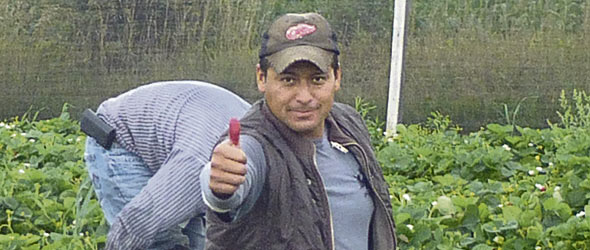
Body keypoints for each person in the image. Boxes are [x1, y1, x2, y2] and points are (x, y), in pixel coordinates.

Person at [200, 13, 397, 250]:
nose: (304, 97)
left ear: (337, 77)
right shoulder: (256, 143)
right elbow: (229, 192)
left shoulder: (348, 123)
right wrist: (221, 188)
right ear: (262, 78)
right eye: (288, 80)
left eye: (317, 79)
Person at [83, 80, 251, 250]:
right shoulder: (203, 169)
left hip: (182, 132)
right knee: (157, 241)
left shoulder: (270, 154)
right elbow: (134, 226)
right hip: (120, 140)